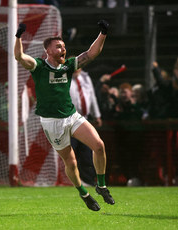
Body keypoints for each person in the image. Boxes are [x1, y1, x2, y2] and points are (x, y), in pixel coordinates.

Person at [14, 20, 115, 211]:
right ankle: (83, 193)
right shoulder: (39, 67)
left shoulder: (68, 66)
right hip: (52, 123)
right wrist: (18, 37)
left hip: (72, 116)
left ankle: (101, 186)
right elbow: (19, 56)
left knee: (99, 145)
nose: (63, 49)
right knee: (71, 162)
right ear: (48, 51)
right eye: (58, 46)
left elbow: (91, 53)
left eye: (64, 46)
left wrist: (103, 33)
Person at [70, 68, 102, 186]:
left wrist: (97, 115)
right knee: (71, 151)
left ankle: (88, 179)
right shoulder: (64, 78)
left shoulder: (85, 78)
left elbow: (92, 96)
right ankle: (72, 179)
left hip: (84, 119)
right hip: (70, 119)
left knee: (87, 151)